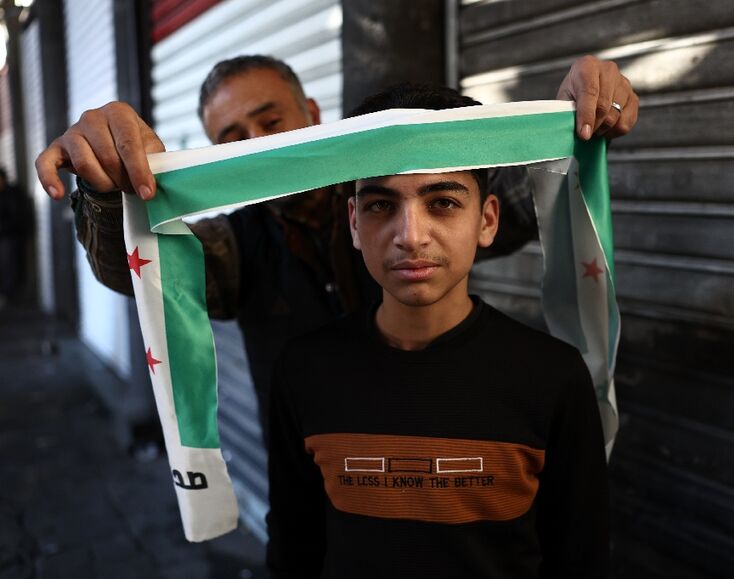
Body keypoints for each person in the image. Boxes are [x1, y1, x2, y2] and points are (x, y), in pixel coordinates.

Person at [34, 54, 638, 436]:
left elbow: (523, 194)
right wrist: (108, 191)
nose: (410, 235)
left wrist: (575, 117)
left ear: (314, 113)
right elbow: (141, 273)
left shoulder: (398, 190)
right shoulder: (236, 247)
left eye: (271, 124)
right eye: (232, 137)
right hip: (317, 473)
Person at [267, 83, 608, 578]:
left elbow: (581, 557)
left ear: (487, 220)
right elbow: (293, 550)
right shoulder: (303, 372)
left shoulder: (552, 377)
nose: (410, 235)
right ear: (355, 224)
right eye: (381, 205)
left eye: (443, 202)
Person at [0, 168, 30, 308]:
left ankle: (12, 298)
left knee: (10, 267)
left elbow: (17, 218)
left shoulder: (13, 194)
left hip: (11, 237)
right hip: (6, 236)